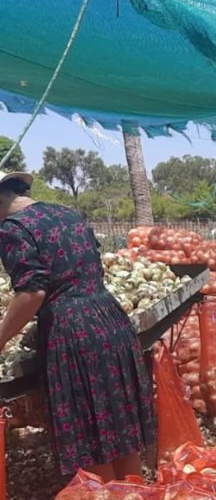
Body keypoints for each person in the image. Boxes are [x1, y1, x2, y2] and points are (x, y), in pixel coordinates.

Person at [0, 170, 155, 479]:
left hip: (73, 335)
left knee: (90, 437)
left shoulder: (12, 229)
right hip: (109, 317)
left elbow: (32, 292)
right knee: (121, 432)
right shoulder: (65, 213)